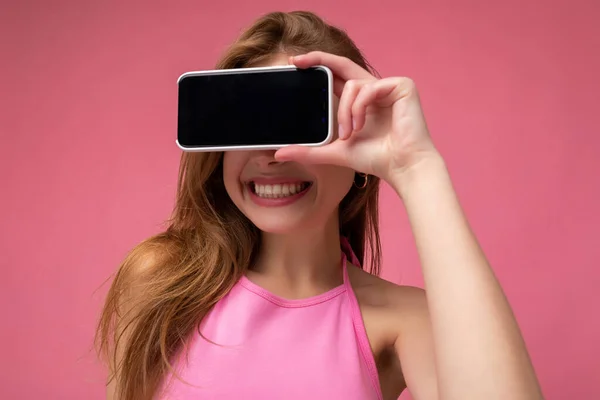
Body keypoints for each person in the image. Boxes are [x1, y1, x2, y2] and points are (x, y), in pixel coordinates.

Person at [96, 11, 543, 400]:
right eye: (248, 125)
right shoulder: (160, 280)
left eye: (300, 124)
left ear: (358, 148)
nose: (272, 154)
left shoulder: (403, 321)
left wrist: (417, 168)